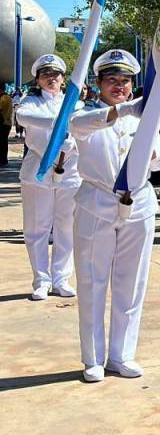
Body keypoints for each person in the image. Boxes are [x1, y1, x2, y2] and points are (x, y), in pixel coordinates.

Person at [69, 49, 160, 382]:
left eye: (125, 81)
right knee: (92, 283)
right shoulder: (86, 115)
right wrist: (124, 109)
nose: (119, 86)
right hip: (96, 203)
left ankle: (122, 354)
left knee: (132, 283)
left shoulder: (144, 119)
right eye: (112, 80)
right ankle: (93, 358)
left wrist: (152, 154)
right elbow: (77, 126)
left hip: (138, 205)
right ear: (98, 84)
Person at [16, 54, 82, 300]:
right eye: (46, 74)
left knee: (66, 228)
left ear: (64, 78)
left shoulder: (75, 103)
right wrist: (60, 122)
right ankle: (41, 280)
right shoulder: (30, 101)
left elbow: (85, 129)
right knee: (37, 228)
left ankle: (61, 278)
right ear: (38, 79)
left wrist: (72, 143)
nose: (51, 78)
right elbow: (23, 118)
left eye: (55, 74)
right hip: (39, 172)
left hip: (70, 173)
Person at [0, 86, 13, 165]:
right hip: (6, 123)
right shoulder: (7, 97)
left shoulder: (4, 98)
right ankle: (3, 160)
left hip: (3, 123)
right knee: (3, 142)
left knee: (2, 143)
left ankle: (2, 160)